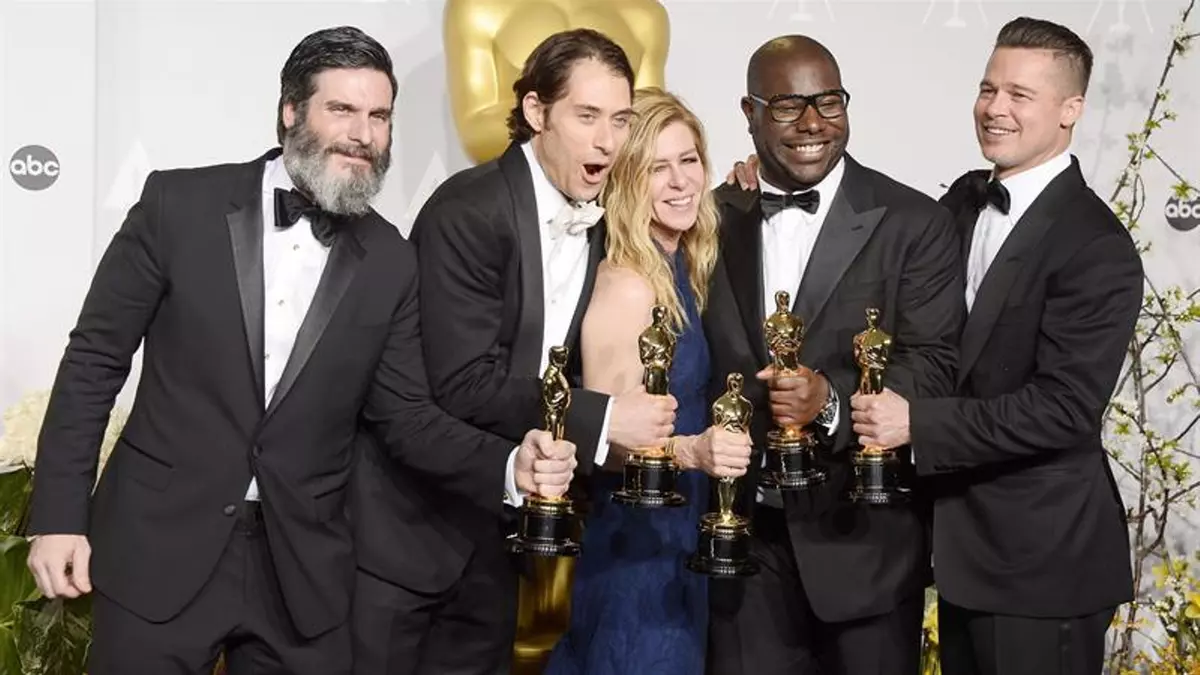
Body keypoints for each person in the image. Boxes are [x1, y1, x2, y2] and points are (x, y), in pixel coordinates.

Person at [24, 26, 575, 675]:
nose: (363, 134)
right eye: (342, 109)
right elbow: (94, 360)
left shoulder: (390, 259)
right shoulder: (178, 205)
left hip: (302, 573)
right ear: (290, 111)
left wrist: (509, 465)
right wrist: (58, 516)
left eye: (379, 116)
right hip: (158, 548)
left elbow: (407, 418)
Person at [367, 28, 677, 673]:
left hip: (501, 538)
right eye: (587, 117)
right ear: (536, 112)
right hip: (409, 535)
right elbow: (462, 381)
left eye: (620, 120)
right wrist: (604, 418)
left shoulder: (606, 218)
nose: (608, 141)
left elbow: (689, 209)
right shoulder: (470, 209)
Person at [851, 17, 1140, 675]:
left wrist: (917, 423)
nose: (994, 108)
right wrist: (766, 181)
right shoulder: (962, 200)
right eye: (988, 89)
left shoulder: (1096, 245)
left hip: (1042, 565)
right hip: (963, 556)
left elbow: (1064, 409)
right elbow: (876, 242)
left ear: (1071, 110)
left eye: (1019, 94)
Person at [703, 35, 964, 675]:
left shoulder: (913, 221)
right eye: (788, 106)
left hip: (864, 546)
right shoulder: (710, 217)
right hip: (742, 547)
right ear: (750, 112)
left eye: (829, 102)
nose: (813, 122)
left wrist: (831, 404)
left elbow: (936, 366)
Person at [542, 87, 753, 675]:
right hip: (635, 548)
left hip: (681, 535)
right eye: (657, 168)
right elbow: (606, 444)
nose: (681, 181)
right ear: (628, 179)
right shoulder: (628, 282)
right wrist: (693, 451)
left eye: (689, 160)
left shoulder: (682, 263)